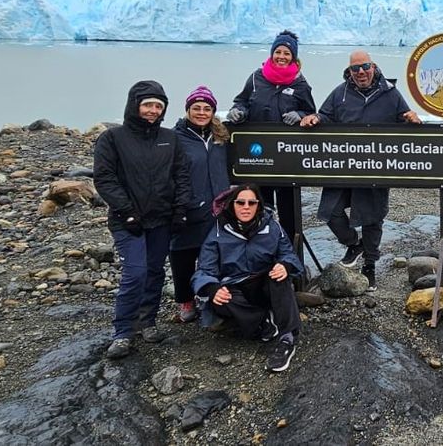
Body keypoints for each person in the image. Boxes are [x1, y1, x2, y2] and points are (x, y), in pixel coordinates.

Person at [300, 50, 420, 290]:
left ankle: (370, 267)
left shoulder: (390, 93)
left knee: (372, 218)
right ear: (350, 71)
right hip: (343, 167)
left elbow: (404, 119)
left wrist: (411, 118)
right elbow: (325, 116)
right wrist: (314, 119)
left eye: (365, 66)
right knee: (329, 211)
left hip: (375, 168)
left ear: (373, 66)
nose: (361, 72)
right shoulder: (340, 93)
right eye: (355, 68)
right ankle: (354, 243)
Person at [93, 80, 191, 359]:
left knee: (155, 271)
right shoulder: (113, 139)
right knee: (135, 272)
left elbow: (181, 175)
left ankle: (147, 322)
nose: (152, 110)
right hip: (128, 221)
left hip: (161, 219)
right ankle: (123, 332)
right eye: (148, 104)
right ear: (135, 105)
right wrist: (127, 211)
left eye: (158, 106)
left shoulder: (170, 139)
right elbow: (105, 178)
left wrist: (179, 209)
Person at [192, 184, 305, 372]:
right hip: (235, 286)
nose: (246, 207)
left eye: (251, 202)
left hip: (264, 281)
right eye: (240, 202)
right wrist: (212, 288)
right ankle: (263, 322)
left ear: (258, 205)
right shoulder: (217, 231)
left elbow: (289, 255)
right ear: (232, 205)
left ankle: (287, 338)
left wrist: (285, 265)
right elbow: (204, 270)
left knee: (280, 278)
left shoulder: (272, 226)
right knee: (218, 299)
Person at [224, 30, 316, 245]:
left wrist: (301, 115)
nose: (282, 56)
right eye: (278, 51)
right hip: (258, 157)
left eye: (287, 53)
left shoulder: (300, 83)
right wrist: (238, 111)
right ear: (272, 53)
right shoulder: (256, 77)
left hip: (287, 161)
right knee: (259, 208)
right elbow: (242, 101)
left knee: (289, 214)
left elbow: (312, 113)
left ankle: (291, 259)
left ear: (294, 57)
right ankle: (259, 253)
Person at [169, 85, 230, 323]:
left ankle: (213, 298)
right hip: (188, 205)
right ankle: (185, 300)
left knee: (216, 254)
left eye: (207, 108)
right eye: (196, 108)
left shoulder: (221, 136)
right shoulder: (176, 137)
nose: (202, 113)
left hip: (219, 206)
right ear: (188, 110)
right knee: (183, 254)